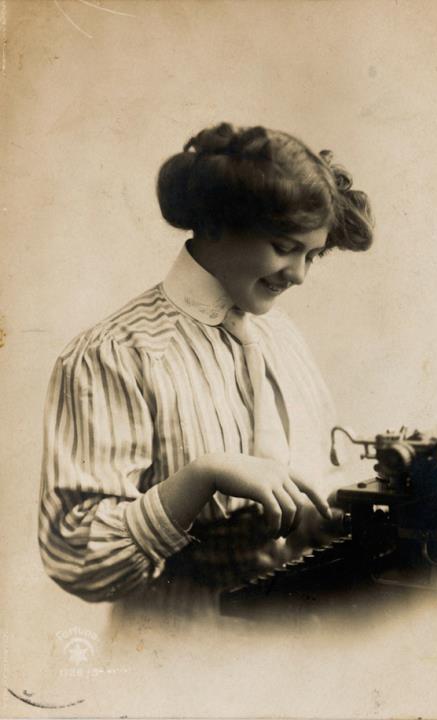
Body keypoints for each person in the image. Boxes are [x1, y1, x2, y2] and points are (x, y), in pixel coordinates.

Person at [38, 123, 373, 618]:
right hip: (182, 643)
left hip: (305, 635)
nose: (300, 275)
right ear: (217, 223)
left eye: (311, 255)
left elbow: (312, 489)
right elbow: (76, 557)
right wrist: (203, 476)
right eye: (284, 247)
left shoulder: (283, 337)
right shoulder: (115, 353)